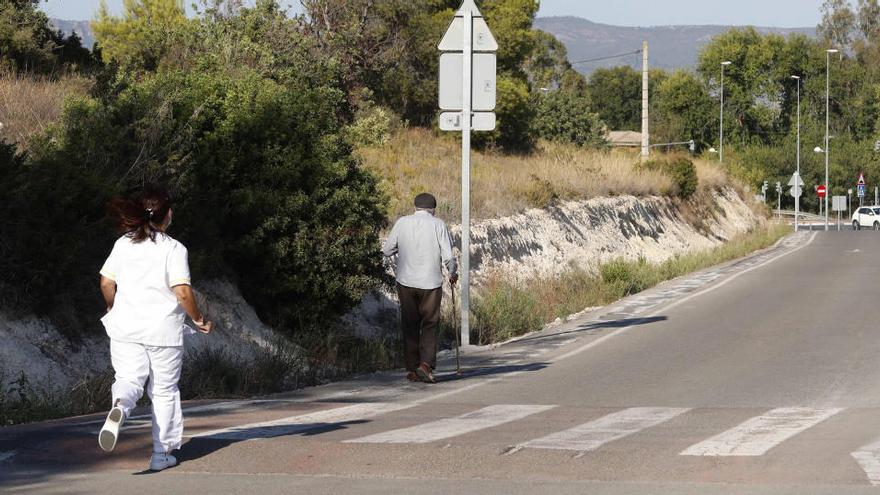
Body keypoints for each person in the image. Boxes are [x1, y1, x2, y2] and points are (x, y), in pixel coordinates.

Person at [97, 184, 213, 472]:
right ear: (167, 215)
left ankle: (120, 408)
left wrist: (112, 307)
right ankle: (162, 454)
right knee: (163, 390)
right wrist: (198, 319)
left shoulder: (123, 243)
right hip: (162, 332)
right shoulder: (174, 248)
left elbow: (106, 282)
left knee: (128, 379)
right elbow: (183, 292)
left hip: (124, 328)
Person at [382, 193, 458, 384]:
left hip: (406, 282)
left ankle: (413, 369)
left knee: (410, 323)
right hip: (430, 283)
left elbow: (388, 250)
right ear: (433, 209)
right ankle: (425, 365)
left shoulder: (402, 222)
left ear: (415, 207)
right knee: (430, 324)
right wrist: (452, 272)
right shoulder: (438, 224)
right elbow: (448, 255)